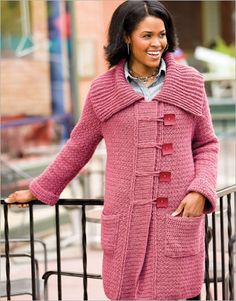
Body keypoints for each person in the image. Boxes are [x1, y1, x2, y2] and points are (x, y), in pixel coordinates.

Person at [5, 1, 219, 300]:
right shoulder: (102, 90)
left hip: (176, 219)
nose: (157, 43)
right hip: (126, 224)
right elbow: (79, 145)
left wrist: (201, 191)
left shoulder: (190, 82)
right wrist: (40, 189)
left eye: (162, 34)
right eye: (147, 35)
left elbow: (207, 144)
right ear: (127, 36)